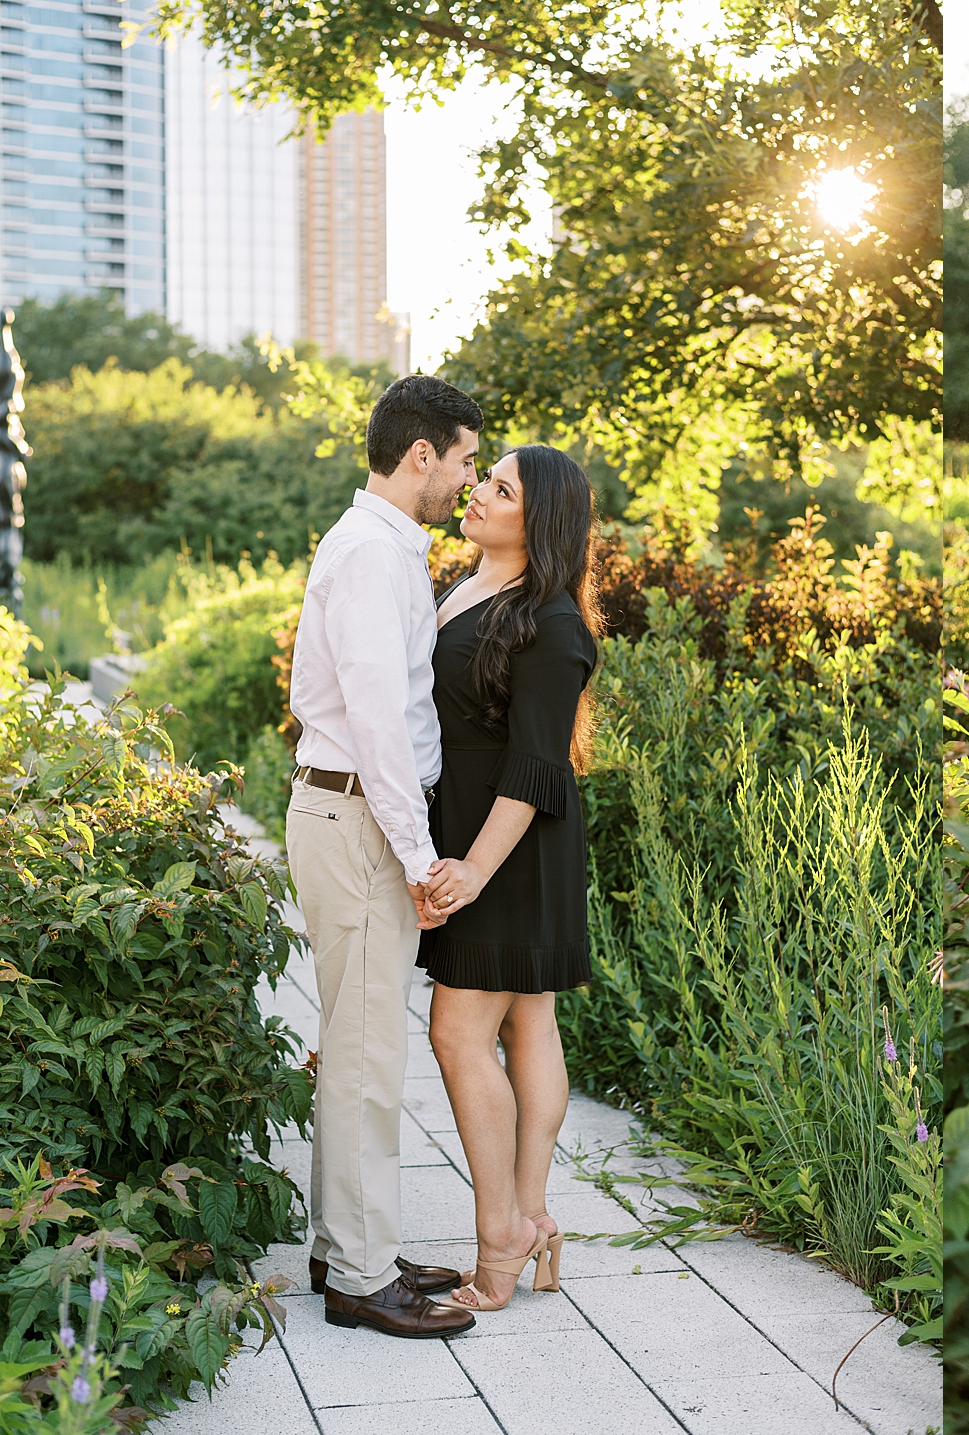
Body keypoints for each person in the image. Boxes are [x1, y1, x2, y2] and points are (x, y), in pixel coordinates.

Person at [287, 374, 483, 1339]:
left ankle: (346, 1247)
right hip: (358, 817)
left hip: (351, 814)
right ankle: (363, 1277)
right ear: (422, 454)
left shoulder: (383, 545)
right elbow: (377, 722)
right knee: (367, 1053)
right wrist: (417, 854)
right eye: (466, 460)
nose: (469, 480)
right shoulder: (371, 553)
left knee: (358, 1042)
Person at [413, 444, 599, 1312]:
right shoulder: (470, 584)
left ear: (541, 519)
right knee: (529, 1020)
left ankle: (501, 1238)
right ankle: (533, 1218)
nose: (477, 492)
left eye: (500, 488)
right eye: (484, 478)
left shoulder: (553, 623)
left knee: (458, 1034)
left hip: (510, 846)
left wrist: (476, 869)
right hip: (476, 834)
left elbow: (535, 764)